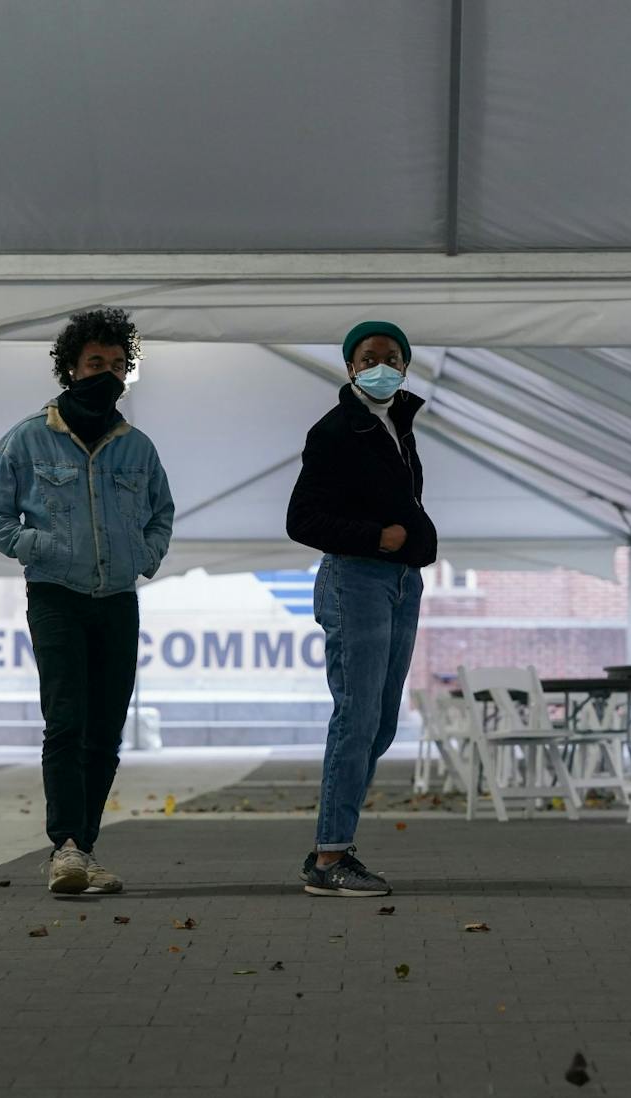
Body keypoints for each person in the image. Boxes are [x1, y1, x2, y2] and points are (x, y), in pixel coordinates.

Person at [0, 308, 174, 894]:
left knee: (107, 728)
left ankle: (81, 850)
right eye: (95, 363)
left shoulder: (136, 447)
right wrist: (40, 546)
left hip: (117, 599)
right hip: (56, 596)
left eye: (117, 365)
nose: (106, 373)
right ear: (70, 368)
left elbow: (161, 514)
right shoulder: (27, 439)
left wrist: (143, 555)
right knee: (67, 721)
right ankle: (65, 845)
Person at [286, 321, 436, 897]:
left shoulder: (394, 423)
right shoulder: (336, 431)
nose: (382, 365)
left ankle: (333, 841)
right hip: (358, 580)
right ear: (350, 367)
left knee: (380, 723)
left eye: (393, 357)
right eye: (370, 357)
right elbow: (303, 520)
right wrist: (379, 538)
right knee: (356, 718)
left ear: (405, 366)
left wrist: (409, 547)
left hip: (399, 584)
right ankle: (330, 857)